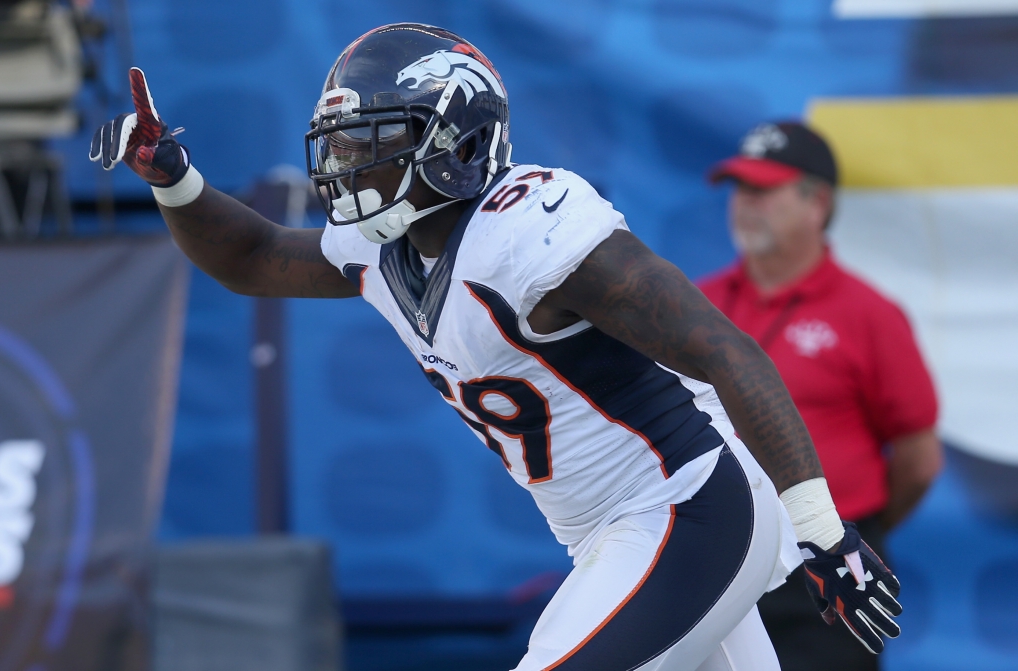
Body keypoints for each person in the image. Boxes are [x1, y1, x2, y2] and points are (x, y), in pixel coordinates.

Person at [90, 25, 903, 671]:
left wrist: (825, 534)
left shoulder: (525, 229)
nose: (343, 162)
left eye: (370, 138)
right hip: (614, 534)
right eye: (338, 141)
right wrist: (174, 178)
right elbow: (250, 256)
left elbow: (727, 353)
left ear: (453, 139)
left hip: (687, 508)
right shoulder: (380, 249)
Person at [699, 121, 942, 671]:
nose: (745, 204)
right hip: (717, 564)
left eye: (763, 189)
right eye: (740, 189)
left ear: (818, 204)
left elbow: (918, 460)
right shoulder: (696, 305)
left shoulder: (870, 315)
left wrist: (850, 529)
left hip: (823, 571)